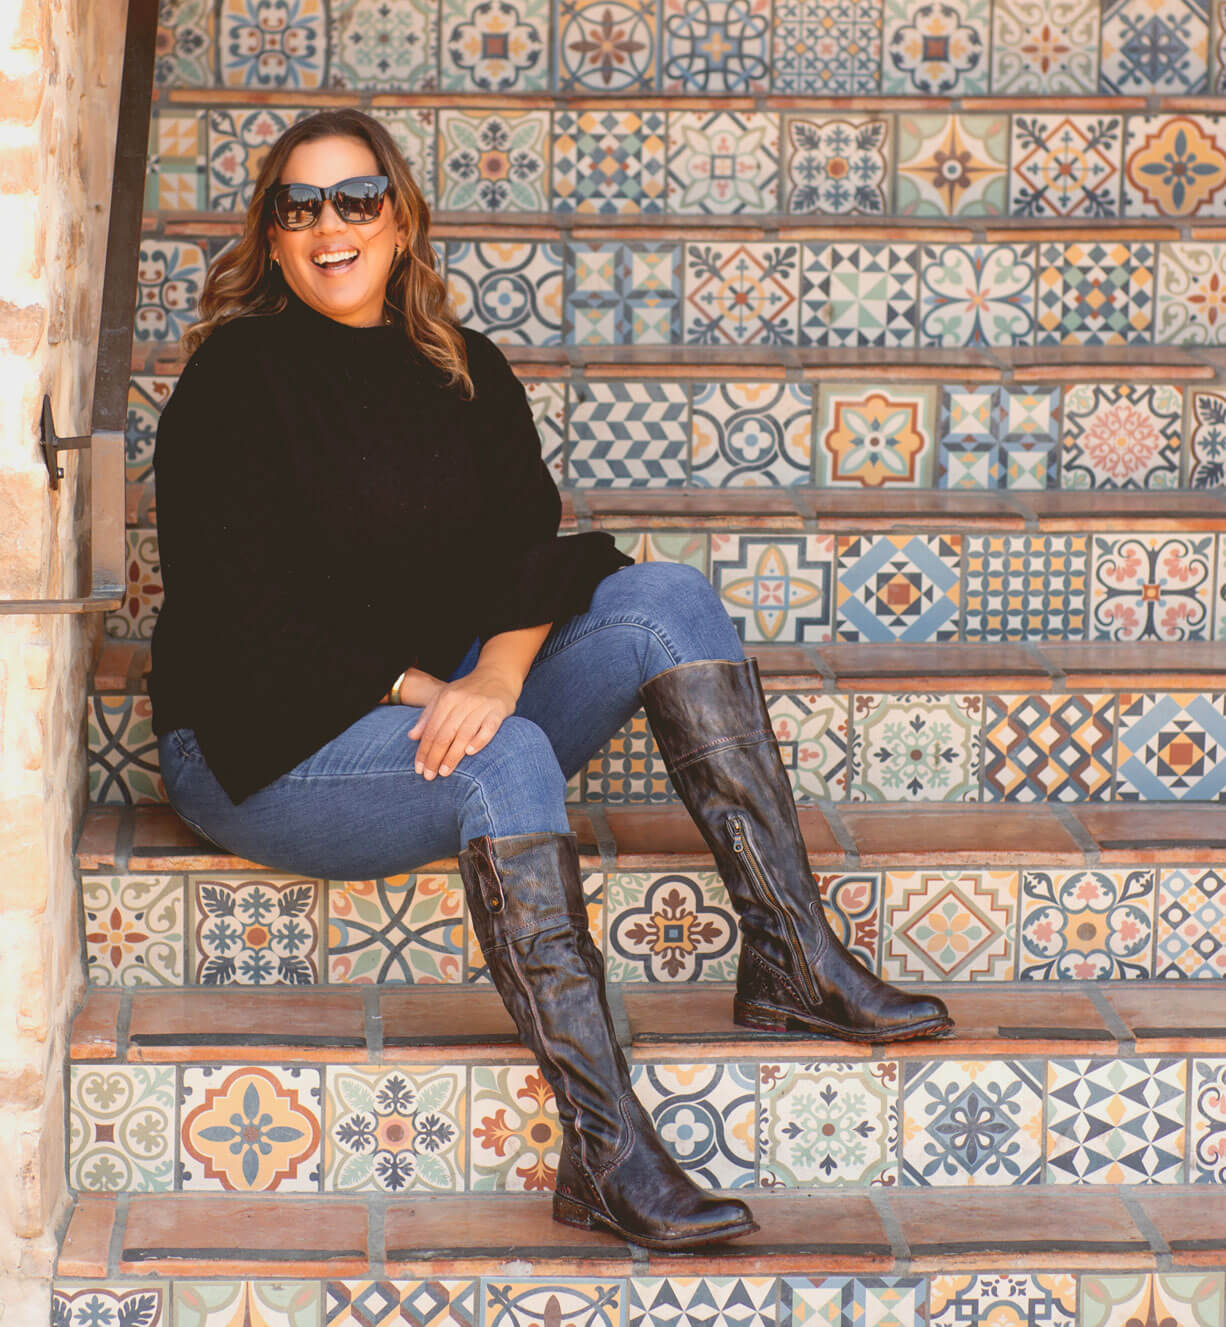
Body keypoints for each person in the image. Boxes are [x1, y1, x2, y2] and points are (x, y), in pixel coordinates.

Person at [149, 109, 952, 1249]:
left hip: (439, 708)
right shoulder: (236, 378)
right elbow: (239, 614)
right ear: (271, 239)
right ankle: (604, 1151)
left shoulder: (459, 365)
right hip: (260, 742)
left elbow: (533, 548)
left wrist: (500, 670)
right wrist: (442, 695)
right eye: (300, 205)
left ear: (402, 217)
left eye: (357, 197)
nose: (331, 225)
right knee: (506, 752)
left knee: (664, 600)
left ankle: (788, 953)